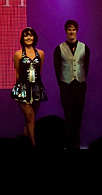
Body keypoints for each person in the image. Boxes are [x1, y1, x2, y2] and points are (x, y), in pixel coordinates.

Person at [53, 20, 90, 151]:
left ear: (77, 31)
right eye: (69, 29)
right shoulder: (59, 48)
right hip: (66, 85)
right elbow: (57, 68)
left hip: (80, 84)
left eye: (73, 29)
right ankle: (69, 141)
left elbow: (86, 66)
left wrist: (82, 79)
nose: (71, 32)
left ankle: (76, 140)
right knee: (68, 114)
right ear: (66, 31)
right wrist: (61, 83)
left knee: (78, 114)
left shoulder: (84, 47)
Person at [11, 27, 47, 146]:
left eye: (30, 35)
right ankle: (34, 145)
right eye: (26, 36)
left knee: (30, 119)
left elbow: (39, 70)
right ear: (22, 38)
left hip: (36, 88)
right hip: (22, 89)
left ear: (34, 37)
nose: (28, 38)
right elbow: (17, 73)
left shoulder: (40, 53)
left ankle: (26, 145)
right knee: (30, 116)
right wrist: (21, 88)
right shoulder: (18, 54)